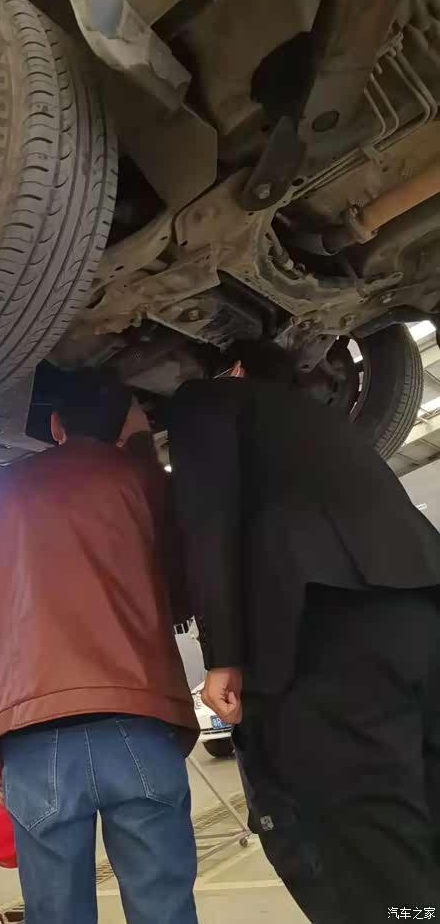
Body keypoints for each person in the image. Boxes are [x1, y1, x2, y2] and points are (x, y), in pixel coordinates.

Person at [167, 341, 440, 924]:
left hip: (325, 622)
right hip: (421, 606)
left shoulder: (207, 400)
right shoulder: (326, 421)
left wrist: (222, 654)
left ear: (235, 369)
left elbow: (208, 524)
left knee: (370, 835)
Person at [0, 372, 199, 924]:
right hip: (140, 722)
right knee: (164, 908)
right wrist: (141, 447)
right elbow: (184, 587)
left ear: (56, 425)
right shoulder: (145, 482)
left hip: (35, 742)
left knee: (57, 913)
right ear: (123, 427)